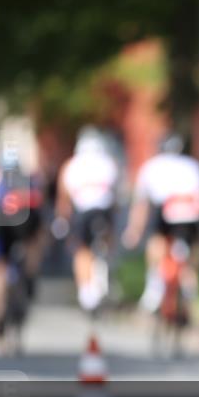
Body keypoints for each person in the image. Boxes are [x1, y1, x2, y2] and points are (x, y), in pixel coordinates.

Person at [0, 118, 46, 344]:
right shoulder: (30, 175)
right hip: (26, 225)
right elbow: (40, 214)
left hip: (2, 225)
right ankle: (29, 280)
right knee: (31, 254)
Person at [122, 134, 199, 320]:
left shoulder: (151, 166)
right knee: (190, 255)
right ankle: (189, 293)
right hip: (191, 212)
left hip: (166, 209)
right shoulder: (193, 165)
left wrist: (134, 230)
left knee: (157, 244)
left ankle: (154, 289)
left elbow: (142, 203)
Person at [55, 127, 121, 313]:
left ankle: (85, 291)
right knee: (108, 240)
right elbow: (116, 197)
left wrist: (62, 221)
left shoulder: (70, 165)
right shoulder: (109, 163)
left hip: (83, 213)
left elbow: (63, 201)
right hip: (104, 212)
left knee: (81, 250)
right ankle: (108, 269)